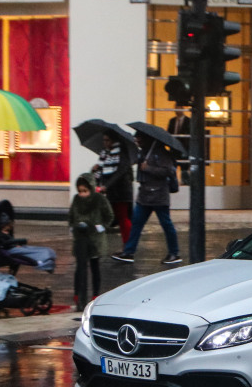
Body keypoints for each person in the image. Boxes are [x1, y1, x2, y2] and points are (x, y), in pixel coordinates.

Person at [112, 135, 181, 265]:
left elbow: (167, 171)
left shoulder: (161, 153)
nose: (137, 140)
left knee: (166, 224)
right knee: (136, 224)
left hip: (159, 195)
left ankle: (174, 253)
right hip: (144, 196)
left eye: (139, 137)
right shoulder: (143, 152)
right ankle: (129, 251)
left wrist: (148, 168)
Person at [69, 172, 115, 307]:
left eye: (85, 191)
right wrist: (73, 227)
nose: (82, 194)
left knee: (95, 267)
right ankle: (77, 293)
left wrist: (102, 227)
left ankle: (96, 293)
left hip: (95, 239)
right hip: (80, 239)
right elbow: (71, 216)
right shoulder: (76, 200)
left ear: (91, 188)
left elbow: (110, 215)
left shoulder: (99, 199)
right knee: (79, 268)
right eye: (80, 191)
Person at [90, 131, 134, 245]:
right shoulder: (105, 153)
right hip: (111, 192)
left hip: (122, 192)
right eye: (104, 140)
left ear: (114, 141)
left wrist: (106, 186)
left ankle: (128, 246)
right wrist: (94, 170)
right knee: (112, 217)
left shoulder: (121, 153)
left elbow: (120, 173)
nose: (105, 143)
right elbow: (101, 171)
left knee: (123, 218)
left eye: (107, 140)